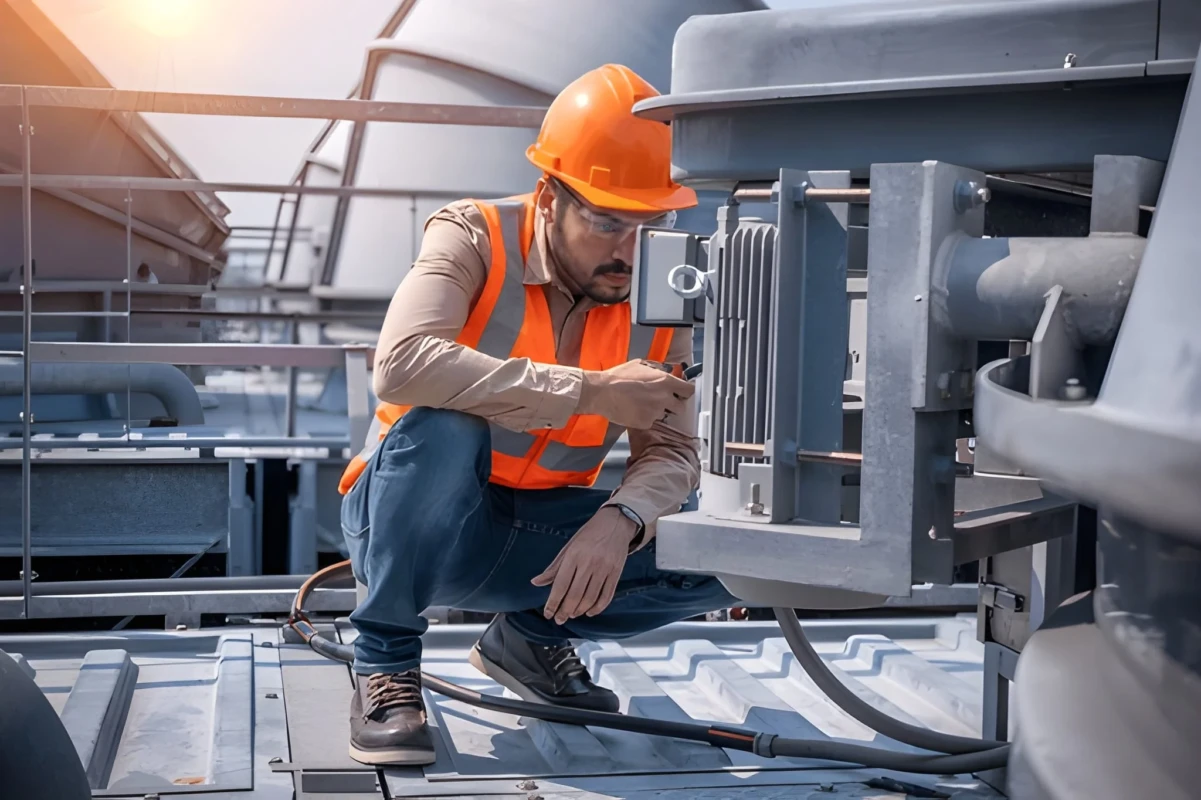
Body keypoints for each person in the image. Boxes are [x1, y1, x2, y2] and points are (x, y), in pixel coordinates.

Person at [337, 63, 735, 766]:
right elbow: (401, 364)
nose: (629, 252)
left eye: (651, 224)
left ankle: (528, 641)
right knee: (444, 426)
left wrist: (622, 519)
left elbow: (672, 451)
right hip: (412, 525)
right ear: (550, 197)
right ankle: (386, 664)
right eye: (607, 222)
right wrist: (590, 392)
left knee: (733, 551)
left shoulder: (661, 292)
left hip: (534, 540)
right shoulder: (473, 234)